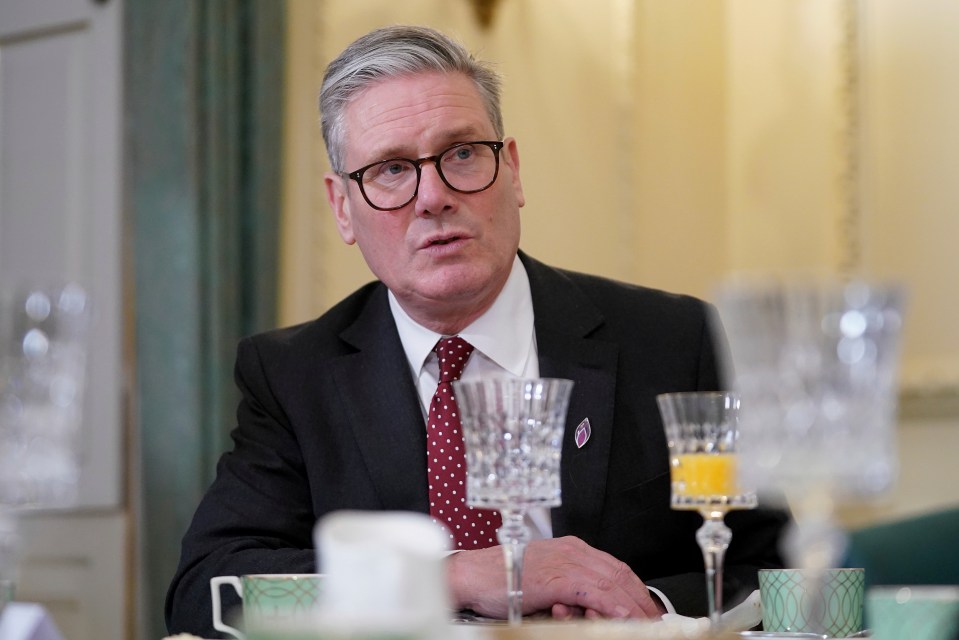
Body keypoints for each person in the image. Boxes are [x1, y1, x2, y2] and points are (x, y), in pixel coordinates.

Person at [165, 25, 788, 637]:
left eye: (462, 153)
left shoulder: (671, 339)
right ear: (341, 209)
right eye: (389, 170)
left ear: (512, 170)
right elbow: (212, 590)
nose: (432, 196)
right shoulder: (294, 376)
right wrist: (453, 576)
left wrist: (636, 607)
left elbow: (775, 567)